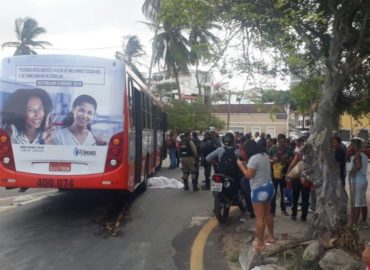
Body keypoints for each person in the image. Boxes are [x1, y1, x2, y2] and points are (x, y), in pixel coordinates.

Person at [237, 140, 275, 252]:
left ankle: (260, 243)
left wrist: (240, 165)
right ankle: (271, 237)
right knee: (268, 213)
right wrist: (245, 165)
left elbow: (248, 175)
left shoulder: (253, 158)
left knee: (259, 216)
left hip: (259, 190)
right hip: (269, 187)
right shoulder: (264, 155)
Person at [269, 134, 293, 216]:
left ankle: (284, 209)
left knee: (285, 192)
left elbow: (292, 159)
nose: (282, 143)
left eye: (283, 141)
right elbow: (269, 158)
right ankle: (272, 211)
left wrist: (285, 160)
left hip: (284, 173)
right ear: (278, 141)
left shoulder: (289, 149)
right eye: (280, 141)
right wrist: (273, 160)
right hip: (274, 173)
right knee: (273, 193)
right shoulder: (273, 148)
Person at [348, 138, 368, 229]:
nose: (350, 146)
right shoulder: (364, 155)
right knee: (362, 203)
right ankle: (363, 222)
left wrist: (352, 171)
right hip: (363, 180)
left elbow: (358, 166)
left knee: (356, 204)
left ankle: (354, 224)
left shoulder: (357, 155)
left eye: (351, 145)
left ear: (355, 146)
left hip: (357, 182)